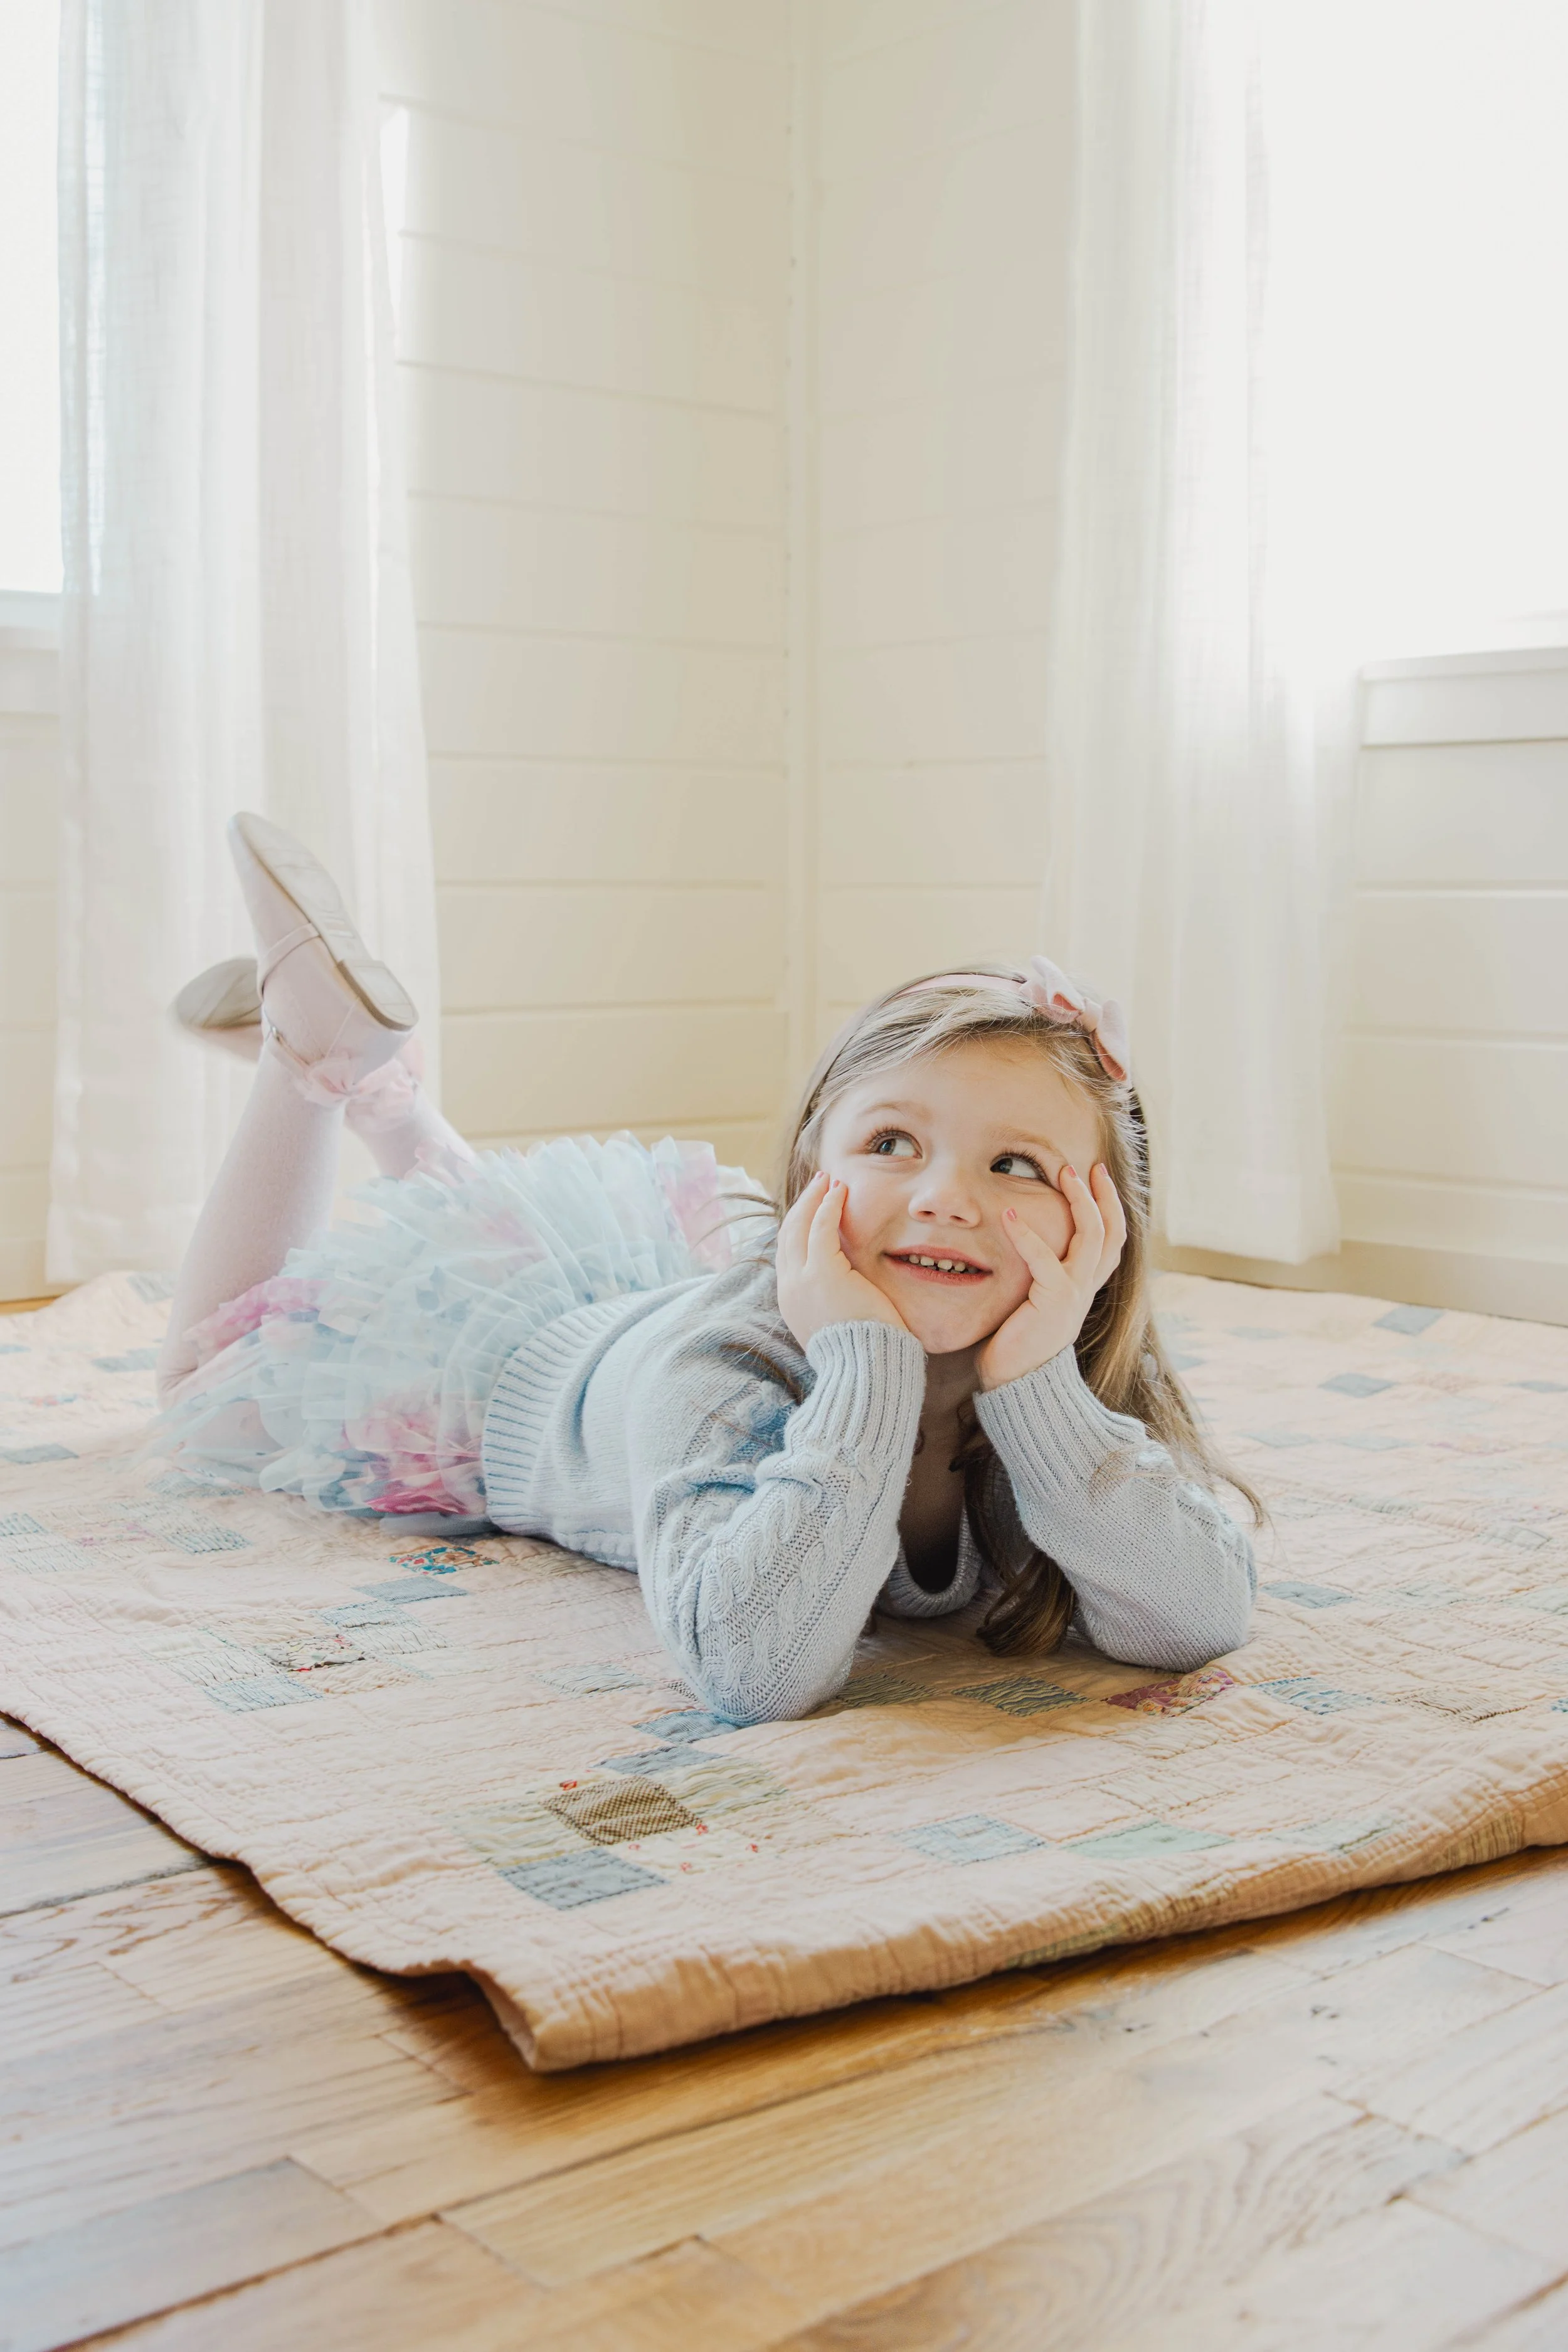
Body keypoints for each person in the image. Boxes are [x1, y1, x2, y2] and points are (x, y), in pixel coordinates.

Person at [156, 814, 1256, 1724]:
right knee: (212, 1379)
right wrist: (868, 1367)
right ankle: (310, 1058)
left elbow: (1194, 1619)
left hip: (620, 1307)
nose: (941, 1198)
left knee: (478, 1235)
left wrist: (1038, 1394)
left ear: (1102, 1226)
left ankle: (387, 1092)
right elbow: (754, 1671)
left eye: (1014, 1162)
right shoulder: (724, 1358)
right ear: (809, 1170)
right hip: (515, 1384)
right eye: (891, 1145)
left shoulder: (1068, 1374)